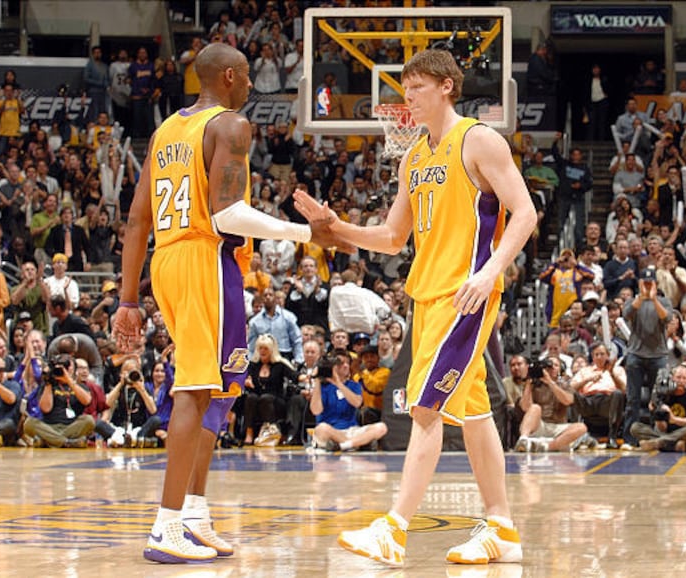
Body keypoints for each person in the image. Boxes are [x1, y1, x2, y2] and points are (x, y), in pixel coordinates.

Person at [294, 48, 537, 567]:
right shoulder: (414, 156)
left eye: (418, 89)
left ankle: (393, 529)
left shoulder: (477, 140)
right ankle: (502, 530)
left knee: (424, 408)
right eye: (404, 91)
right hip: (425, 296)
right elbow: (390, 236)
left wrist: (490, 271)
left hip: (465, 295)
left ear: (447, 85)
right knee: (473, 413)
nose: (408, 99)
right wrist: (335, 229)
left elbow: (525, 212)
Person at [112, 42, 342, 564]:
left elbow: (135, 221)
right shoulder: (231, 125)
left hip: (169, 262)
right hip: (203, 259)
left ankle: (193, 515)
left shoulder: (167, 130)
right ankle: (166, 526)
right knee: (194, 389)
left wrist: (129, 299)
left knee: (219, 389)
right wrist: (306, 232)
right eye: (247, 84)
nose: (248, 94)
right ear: (233, 77)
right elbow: (228, 215)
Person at [622, 267, 673, 448]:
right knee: (632, 399)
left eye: (651, 282)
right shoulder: (632, 301)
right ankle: (629, 438)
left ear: (656, 284)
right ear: (640, 283)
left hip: (658, 355)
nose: (648, 285)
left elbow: (667, 318)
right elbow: (626, 314)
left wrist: (653, 298)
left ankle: (654, 436)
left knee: (657, 399)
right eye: (645, 282)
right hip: (636, 353)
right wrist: (642, 297)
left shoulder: (664, 301)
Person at [515, 355, 587, 452]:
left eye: (556, 365)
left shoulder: (565, 384)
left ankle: (547, 447)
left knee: (581, 427)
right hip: (540, 425)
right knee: (535, 408)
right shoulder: (535, 384)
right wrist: (528, 383)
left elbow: (568, 401)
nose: (552, 367)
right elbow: (525, 407)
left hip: (558, 427)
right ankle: (523, 440)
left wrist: (550, 382)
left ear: (560, 370)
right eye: (549, 365)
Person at [631, 365, 686, 452]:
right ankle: (673, 446)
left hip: (684, 433)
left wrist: (674, 419)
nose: (681, 381)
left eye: (684, 378)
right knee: (635, 428)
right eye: (678, 377)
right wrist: (656, 412)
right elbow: (662, 428)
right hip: (665, 432)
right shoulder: (662, 394)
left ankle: (657, 443)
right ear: (672, 378)